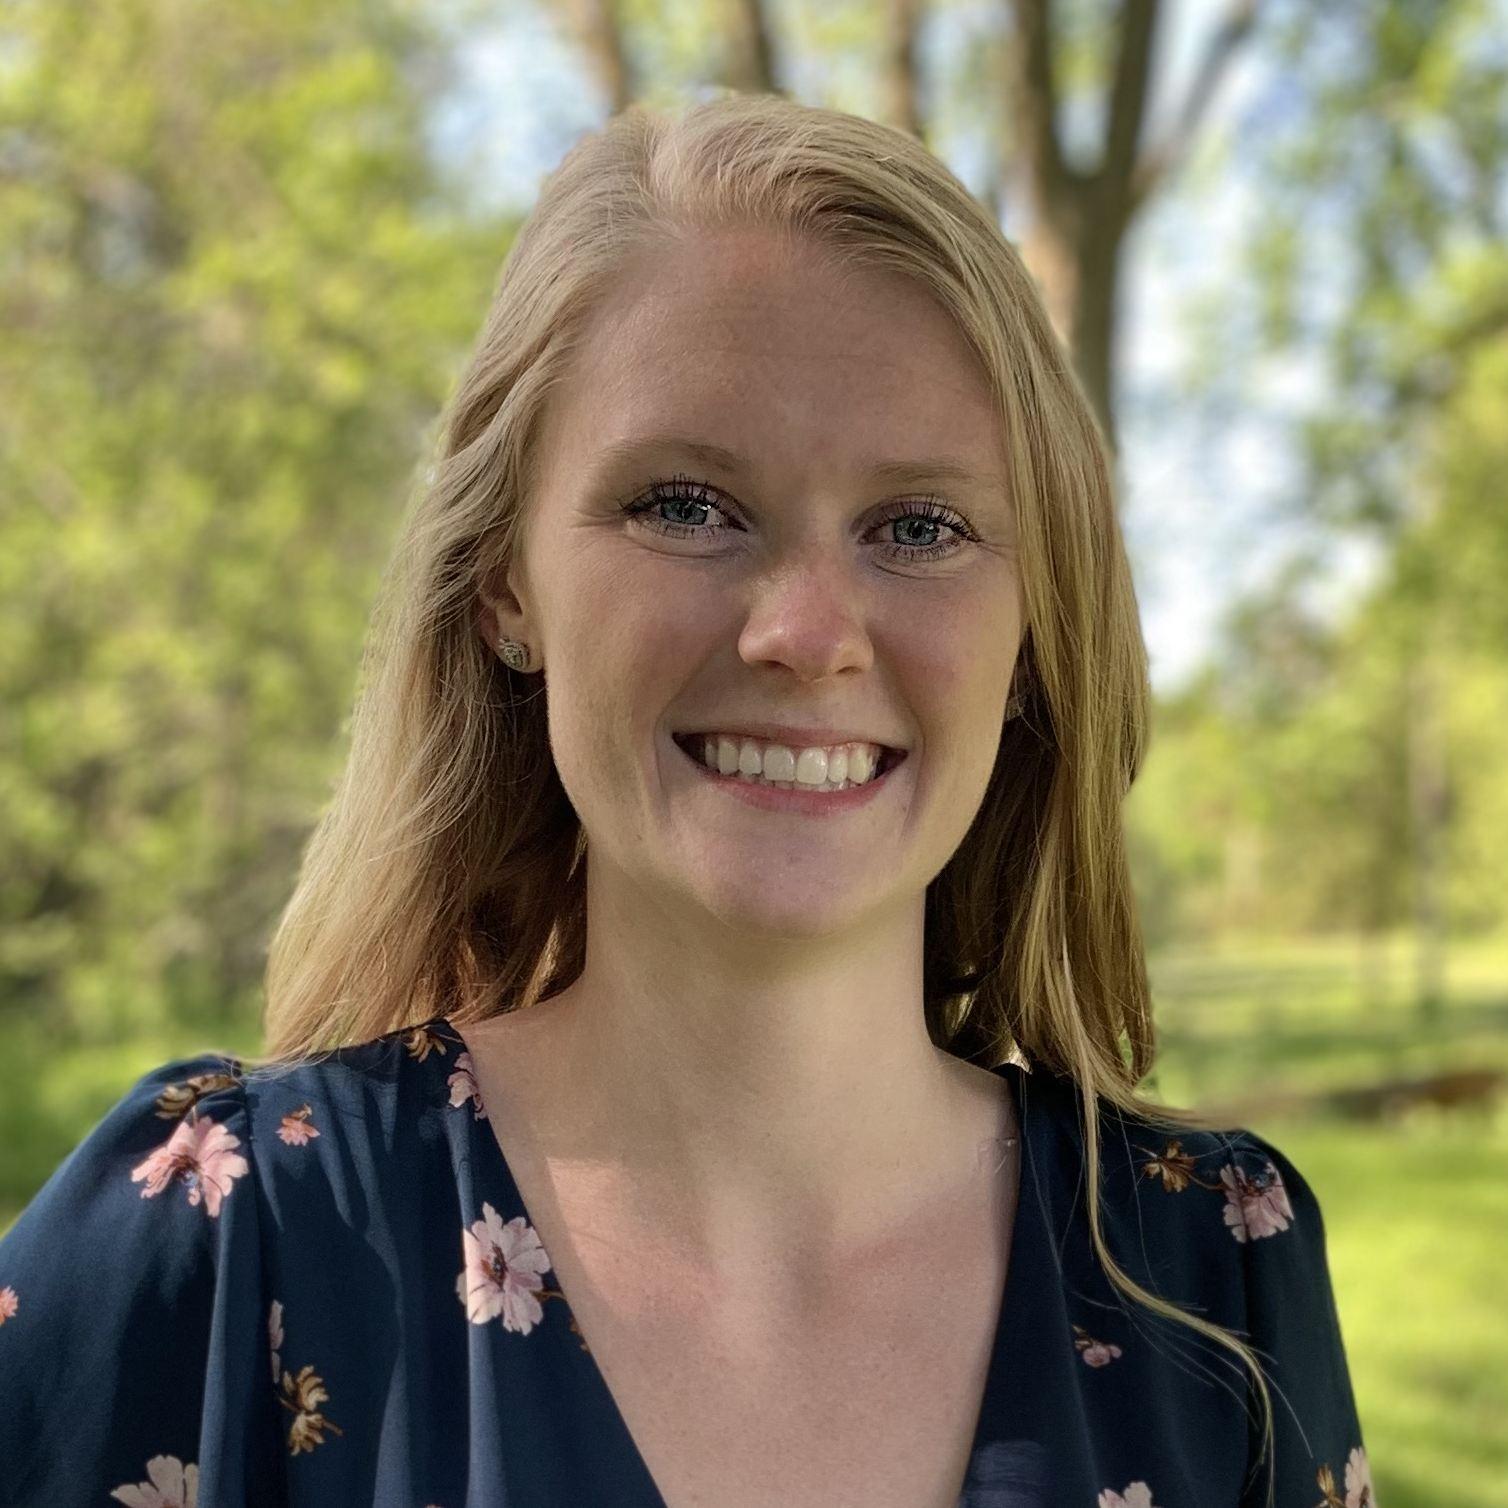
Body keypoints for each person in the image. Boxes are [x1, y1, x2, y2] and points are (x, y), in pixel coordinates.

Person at [0, 93, 1375, 1508]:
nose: (807, 633)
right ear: (506, 584)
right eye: (685, 506)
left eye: (919, 527)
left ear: (1035, 628)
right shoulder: (226, 1244)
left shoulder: (1218, 1284)